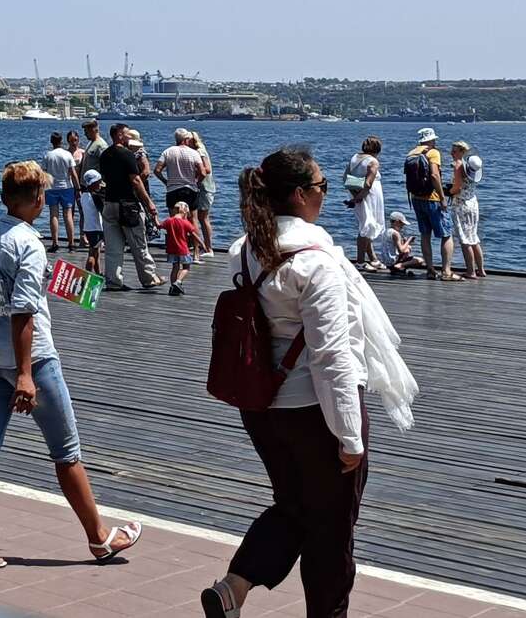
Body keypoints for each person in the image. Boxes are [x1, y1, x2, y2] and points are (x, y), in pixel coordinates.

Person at [202, 147, 417, 618]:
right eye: (321, 187)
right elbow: (333, 357)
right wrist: (350, 435)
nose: (325, 195)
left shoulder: (244, 250)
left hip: (260, 407)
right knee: (333, 532)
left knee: (296, 506)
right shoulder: (317, 261)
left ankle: (235, 587)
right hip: (315, 412)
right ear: (299, 195)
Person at [0, 160, 143, 571]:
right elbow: (24, 312)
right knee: (67, 452)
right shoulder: (30, 244)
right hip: (33, 360)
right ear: (37, 200)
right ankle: (99, 539)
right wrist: (24, 374)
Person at [98, 124, 161, 290]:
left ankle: (113, 280)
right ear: (119, 135)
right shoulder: (127, 155)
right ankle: (149, 277)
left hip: (109, 203)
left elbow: (105, 176)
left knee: (112, 247)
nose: (130, 138)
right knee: (138, 243)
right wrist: (149, 203)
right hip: (128, 204)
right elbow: (136, 180)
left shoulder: (104, 155)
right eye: (127, 135)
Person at [403, 129, 454, 281]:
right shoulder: (433, 153)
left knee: (425, 234)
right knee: (446, 234)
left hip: (416, 198)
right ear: (432, 140)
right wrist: (442, 197)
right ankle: (446, 271)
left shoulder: (411, 153)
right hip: (432, 198)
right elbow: (434, 175)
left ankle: (430, 270)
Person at [154, 130, 209, 255]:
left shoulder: (167, 152)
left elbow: (157, 170)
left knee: (174, 221)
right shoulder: (194, 153)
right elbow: (203, 172)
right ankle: (195, 252)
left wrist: (165, 181)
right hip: (190, 189)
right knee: (193, 220)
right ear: (185, 140)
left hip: (173, 190)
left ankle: (176, 250)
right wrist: (195, 181)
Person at [447, 141, 485, 280]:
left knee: (465, 239)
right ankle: (480, 269)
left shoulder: (458, 166)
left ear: (462, 152)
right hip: (473, 202)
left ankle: (471, 271)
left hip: (462, 204)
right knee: (474, 237)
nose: (452, 153)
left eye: (455, 151)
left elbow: (457, 188)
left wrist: (447, 192)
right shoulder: (471, 168)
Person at [344, 138, 384, 269]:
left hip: (356, 193)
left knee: (367, 225)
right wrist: (359, 198)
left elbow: (345, 178)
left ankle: (373, 259)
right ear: (377, 150)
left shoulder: (354, 157)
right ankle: (360, 262)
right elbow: (368, 184)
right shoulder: (373, 161)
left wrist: (354, 196)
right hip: (369, 197)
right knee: (366, 227)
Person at [42, 132, 81, 251]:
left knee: (53, 215)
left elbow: (43, 173)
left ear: (51, 141)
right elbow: (73, 174)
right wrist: (78, 188)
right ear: (61, 141)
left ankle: (55, 243)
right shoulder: (67, 154)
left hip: (52, 187)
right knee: (68, 215)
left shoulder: (48, 155)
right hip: (66, 187)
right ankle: (71, 243)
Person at [160, 201, 198, 296]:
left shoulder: (169, 220)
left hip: (171, 250)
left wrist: (154, 217)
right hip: (183, 250)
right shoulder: (185, 222)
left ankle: (173, 287)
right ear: (185, 211)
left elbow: (159, 225)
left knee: (175, 267)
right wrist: (202, 244)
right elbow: (194, 234)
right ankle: (179, 281)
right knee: (186, 267)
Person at [192, 129, 220, 252]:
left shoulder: (200, 151)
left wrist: (196, 174)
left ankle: (208, 248)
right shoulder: (197, 151)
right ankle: (200, 245)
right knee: (198, 217)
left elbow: (207, 169)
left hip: (204, 187)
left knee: (203, 218)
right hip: (202, 187)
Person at [78, 169, 107, 275]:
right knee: (92, 254)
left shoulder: (83, 196)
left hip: (88, 228)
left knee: (96, 252)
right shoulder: (95, 197)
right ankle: (87, 274)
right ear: (93, 183)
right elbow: (103, 211)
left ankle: (98, 273)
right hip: (97, 229)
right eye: (99, 182)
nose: (100, 184)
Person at [373, 211, 417, 277]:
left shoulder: (386, 231)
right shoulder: (396, 233)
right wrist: (409, 241)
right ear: (397, 222)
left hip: (386, 261)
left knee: (408, 248)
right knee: (419, 260)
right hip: (393, 261)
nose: (403, 226)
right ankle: (400, 265)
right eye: (402, 224)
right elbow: (401, 250)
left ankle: (399, 268)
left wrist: (404, 242)